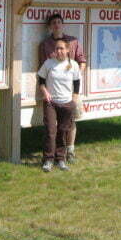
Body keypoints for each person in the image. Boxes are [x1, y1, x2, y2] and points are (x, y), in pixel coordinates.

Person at [38, 13, 86, 160]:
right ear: (50, 26)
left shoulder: (73, 42)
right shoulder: (44, 44)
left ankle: (70, 150)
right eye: (54, 23)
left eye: (59, 22)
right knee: (53, 127)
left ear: (62, 24)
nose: (57, 25)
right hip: (52, 92)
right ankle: (53, 156)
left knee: (70, 122)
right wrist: (44, 89)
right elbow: (41, 68)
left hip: (71, 90)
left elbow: (82, 61)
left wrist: (73, 77)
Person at [36, 39, 81, 172]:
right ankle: (48, 160)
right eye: (57, 49)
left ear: (68, 50)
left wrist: (74, 100)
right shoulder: (48, 63)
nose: (59, 51)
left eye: (61, 48)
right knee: (50, 131)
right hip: (51, 103)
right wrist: (45, 93)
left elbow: (77, 84)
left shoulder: (73, 65)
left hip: (67, 104)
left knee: (62, 131)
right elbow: (41, 80)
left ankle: (61, 159)